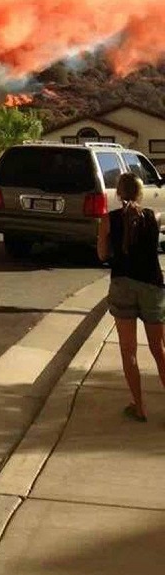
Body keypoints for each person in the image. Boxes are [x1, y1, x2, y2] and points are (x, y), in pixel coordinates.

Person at [97, 172, 165, 421]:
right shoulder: (154, 218)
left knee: (129, 351)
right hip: (152, 286)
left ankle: (139, 407)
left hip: (122, 284)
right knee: (159, 349)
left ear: (118, 194)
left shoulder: (107, 220)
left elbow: (103, 255)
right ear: (139, 193)